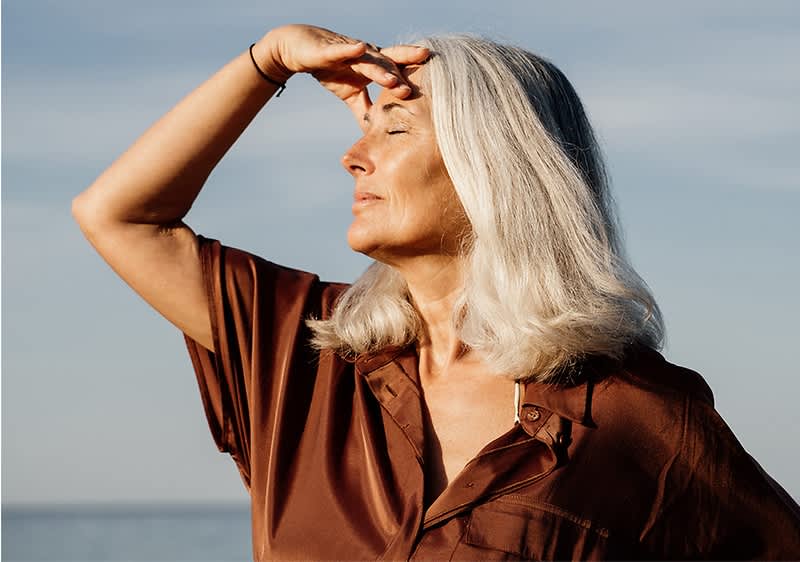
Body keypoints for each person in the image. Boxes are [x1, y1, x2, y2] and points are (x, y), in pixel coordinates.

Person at [73, 24, 800, 561]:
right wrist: (269, 61)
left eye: (395, 128)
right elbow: (118, 214)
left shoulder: (637, 414)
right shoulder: (301, 348)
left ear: (494, 163)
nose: (353, 156)